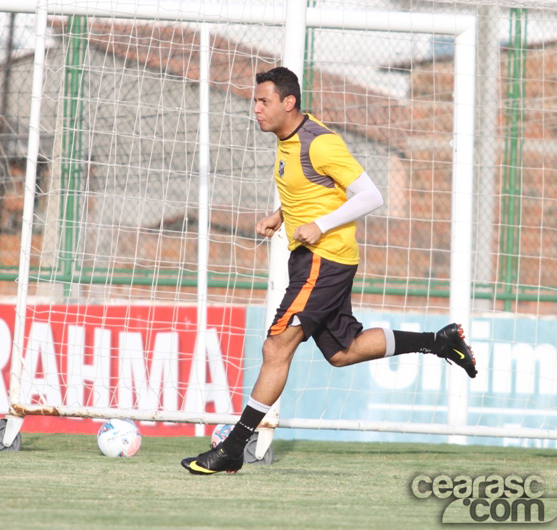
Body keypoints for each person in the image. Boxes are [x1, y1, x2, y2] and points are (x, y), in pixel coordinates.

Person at [181, 67, 477, 475]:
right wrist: (281, 214)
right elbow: (314, 188)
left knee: (276, 347)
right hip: (314, 258)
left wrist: (320, 226)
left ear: (289, 102)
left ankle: (234, 447)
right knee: (343, 351)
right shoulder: (287, 140)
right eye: (255, 101)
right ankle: (439, 342)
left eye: (264, 101)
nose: (256, 109)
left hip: (324, 258)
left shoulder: (320, 142)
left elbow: (370, 195)